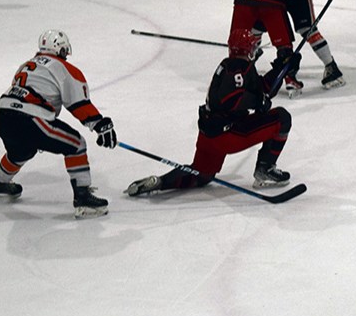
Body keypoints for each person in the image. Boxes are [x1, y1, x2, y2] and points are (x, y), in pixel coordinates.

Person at [125, 28, 295, 197]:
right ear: (248, 48)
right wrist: (258, 101)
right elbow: (231, 100)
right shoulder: (238, 69)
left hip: (209, 135)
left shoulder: (232, 65)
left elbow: (262, 89)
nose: (256, 49)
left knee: (202, 174)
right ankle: (266, 168)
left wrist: (282, 67)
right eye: (254, 46)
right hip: (228, 135)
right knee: (282, 118)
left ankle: (161, 182)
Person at [0, 30, 117, 219]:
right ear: (60, 49)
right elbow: (78, 104)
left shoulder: (26, 65)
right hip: (30, 118)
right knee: (76, 145)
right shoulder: (64, 68)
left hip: (4, 116)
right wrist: (99, 124)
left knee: (21, 151)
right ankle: (83, 199)